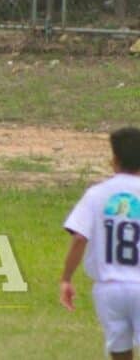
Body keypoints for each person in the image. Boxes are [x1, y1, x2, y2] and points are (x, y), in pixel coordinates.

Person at [60, 127, 140, 360]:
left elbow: (79, 238)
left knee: (119, 349)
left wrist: (66, 278)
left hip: (109, 288)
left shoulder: (96, 194)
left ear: (114, 160)